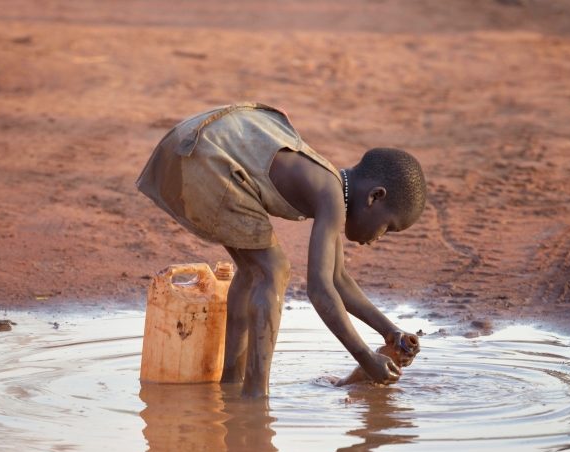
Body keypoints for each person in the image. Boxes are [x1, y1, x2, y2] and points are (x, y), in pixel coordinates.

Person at [136, 103, 426, 398]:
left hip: (188, 146)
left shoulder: (330, 186)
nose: (379, 238)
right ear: (375, 197)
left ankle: (232, 385)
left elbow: (338, 280)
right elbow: (320, 290)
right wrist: (365, 356)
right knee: (272, 269)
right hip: (204, 157)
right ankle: (255, 399)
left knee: (252, 274)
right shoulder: (332, 199)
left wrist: (390, 332)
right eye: (387, 227)